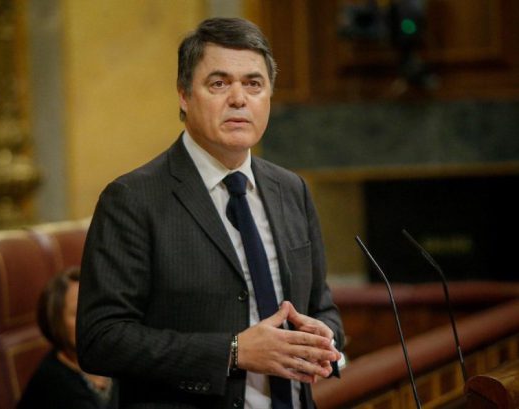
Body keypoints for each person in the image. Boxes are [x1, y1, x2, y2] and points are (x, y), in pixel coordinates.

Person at [76, 17, 344, 409]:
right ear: (184, 96)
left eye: (253, 84)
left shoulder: (292, 190)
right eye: (219, 84)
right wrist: (233, 352)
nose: (239, 99)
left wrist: (326, 337)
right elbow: (101, 340)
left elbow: (322, 305)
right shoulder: (132, 199)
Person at [17, 268, 118, 409]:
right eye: (77, 313)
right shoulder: (53, 383)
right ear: (56, 323)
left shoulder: (112, 356)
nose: (92, 320)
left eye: (94, 309)